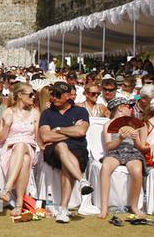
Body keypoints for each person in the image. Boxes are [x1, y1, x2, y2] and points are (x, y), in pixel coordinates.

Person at [38, 81, 93, 223]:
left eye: (57, 94)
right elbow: (45, 136)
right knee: (62, 146)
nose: (54, 97)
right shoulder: (47, 113)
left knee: (66, 164)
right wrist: (72, 130)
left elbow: (81, 131)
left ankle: (63, 210)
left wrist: (57, 130)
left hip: (78, 150)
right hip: (53, 151)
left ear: (68, 96)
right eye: (52, 94)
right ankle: (82, 181)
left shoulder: (81, 111)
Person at [97, 97, 146, 219]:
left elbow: (140, 146)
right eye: (128, 106)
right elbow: (109, 146)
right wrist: (119, 139)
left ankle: (134, 206)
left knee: (136, 170)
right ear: (120, 107)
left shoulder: (135, 123)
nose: (131, 109)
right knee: (106, 167)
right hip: (115, 151)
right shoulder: (108, 124)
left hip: (132, 151)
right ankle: (104, 208)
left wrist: (135, 139)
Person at [0, 81, 39, 216]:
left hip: (29, 147)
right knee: (24, 160)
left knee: (23, 147)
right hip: (10, 150)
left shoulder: (35, 113)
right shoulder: (8, 112)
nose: (33, 97)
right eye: (31, 94)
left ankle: (7, 189)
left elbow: (37, 137)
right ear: (20, 95)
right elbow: (0, 139)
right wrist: (7, 125)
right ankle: (19, 205)